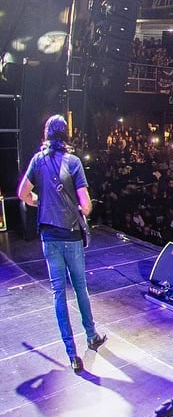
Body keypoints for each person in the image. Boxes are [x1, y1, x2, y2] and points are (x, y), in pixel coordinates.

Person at [19, 115, 104, 373]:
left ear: (46, 135)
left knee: (58, 294)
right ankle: (91, 336)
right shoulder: (74, 162)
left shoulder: (38, 160)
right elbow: (86, 206)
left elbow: (23, 193)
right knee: (80, 288)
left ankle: (72, 354)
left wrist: (39, 202)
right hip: (70, 237)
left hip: (49, 238)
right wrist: (78, 210)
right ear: (66, 135)